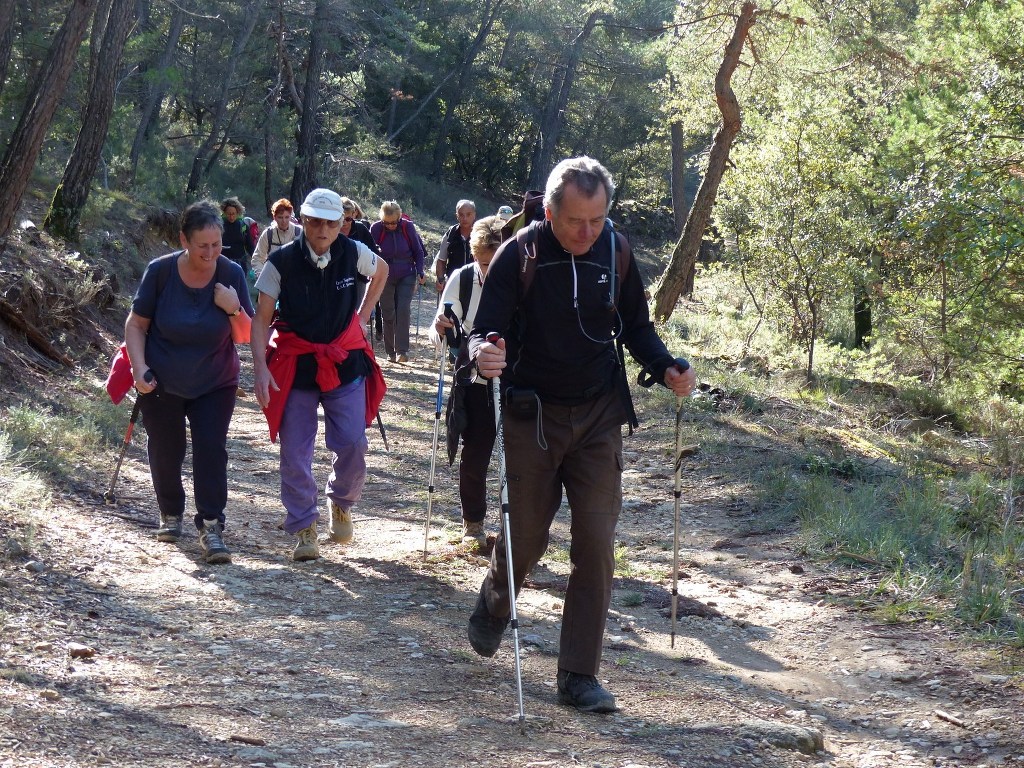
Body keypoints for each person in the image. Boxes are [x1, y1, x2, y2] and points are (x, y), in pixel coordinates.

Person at [465, 157, 696, 713]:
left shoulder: (614, 251)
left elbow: (637, 326)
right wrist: (482, 354)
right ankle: (496, 600)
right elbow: (482, 330)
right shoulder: (518, 254)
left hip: (598, 417)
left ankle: (578, 675)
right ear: (549, 212)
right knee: (527, 539)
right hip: (533, 416)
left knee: (595, 544)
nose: (587, 232)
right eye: (576, 221)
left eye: (597, 220)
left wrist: (667, 367)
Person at [251, 188, 389, 562]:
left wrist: (361, 318)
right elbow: (262, 319)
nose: (324, 229)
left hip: (344, 361)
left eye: (332, 222)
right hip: (297, 363)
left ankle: (341, 502)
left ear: (342, 223)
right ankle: (304, 526)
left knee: (353, 443)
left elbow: (383, 272)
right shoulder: (280, 262)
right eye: (316, 221)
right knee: (295, 451)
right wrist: (260, 368)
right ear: (304, 222)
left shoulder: (352, 251)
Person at [124, 200, 254, 565]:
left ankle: (211, 525)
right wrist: (139, 368)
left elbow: (244, 335)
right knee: (166, 450)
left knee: (211, 450)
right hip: (162, 379)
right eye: (203, 246)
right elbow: (136, 325)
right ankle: (171, 513)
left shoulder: (231, 273)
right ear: (184, 239)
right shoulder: (161, 272)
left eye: (217, 245)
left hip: (215, 381)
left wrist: (231, 307)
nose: (211, 253)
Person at [429, 216, 505, 549]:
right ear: (474, 256)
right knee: (474, 454)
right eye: (484, 263)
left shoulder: (519, 280)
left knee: (519, 457)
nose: (489, 271)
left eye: (496, 262)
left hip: (515, 378)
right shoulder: (460, 280)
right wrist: (441, 327)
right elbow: (438, 331)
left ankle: (515, 529)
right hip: (472, 378)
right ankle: (472, 524)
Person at [369, 201, 426, 363]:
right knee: (388, 312)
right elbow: (371, 252)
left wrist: (420, 270)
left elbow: (418, 251)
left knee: (403, 310)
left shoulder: (408, 227)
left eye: (394, 222)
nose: (391, 226)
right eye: (387, 223)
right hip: (384, 275)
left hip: (407, 274)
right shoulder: (376, 229)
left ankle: (402, 350)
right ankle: (390, 351)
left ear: (399, 218)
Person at [432, 199, 476, 292]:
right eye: (461, 214)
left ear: (474, 215)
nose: (465, 218)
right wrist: (440, 279)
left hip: (475, 285)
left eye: (468, 214)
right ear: (457, 216)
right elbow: (441, 260)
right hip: (452, 283)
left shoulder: (481, 234)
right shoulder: (450, 235)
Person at [253, 198, 302, 273]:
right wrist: (262, 276)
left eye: (287, 217)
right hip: (273, 277)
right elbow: (257, 259)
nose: (284, 221)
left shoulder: (300, 232)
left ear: (291, 217)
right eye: (280, 217)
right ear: (274, 217)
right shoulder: (268, 234)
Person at [220, 197, 254, 275]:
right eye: (229, 214)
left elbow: (250, 246)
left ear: (237, 212)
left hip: (240, 264)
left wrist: (256, 260)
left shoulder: (243, 226)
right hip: (223, 264)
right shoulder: (219, 226)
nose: (231, 217)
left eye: (233, 214)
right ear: (224, 213)